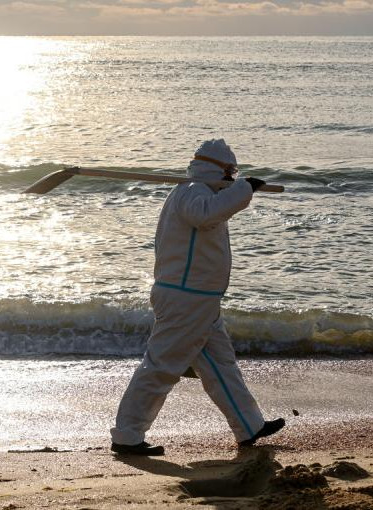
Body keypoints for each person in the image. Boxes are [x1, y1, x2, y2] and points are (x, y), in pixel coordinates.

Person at [110, 139, 285, 456]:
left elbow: (213, 213)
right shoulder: (194, 192)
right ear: (216, 168)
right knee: (161, 367)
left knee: (221, 365)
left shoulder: (200, 191)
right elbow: (205, 215)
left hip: (199, 299)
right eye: (230, 171)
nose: (232, 177)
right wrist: (244, 189)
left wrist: (239, 190)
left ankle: (249, 425)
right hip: (186, 299)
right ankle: (127, 435)